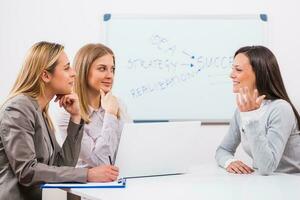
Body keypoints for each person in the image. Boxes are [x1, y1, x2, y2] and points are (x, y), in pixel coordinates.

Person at [0, 41, 119, 200]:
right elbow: (27, 171)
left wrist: (76, 118)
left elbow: (63, 165)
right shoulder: (18, 108)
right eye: (66, 68)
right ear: (45, 75)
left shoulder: (40, 111)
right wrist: (88, 174)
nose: (73, 73)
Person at [215, 45, 300, 175]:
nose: (231, 75)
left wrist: (251, 117)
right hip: (263, 184)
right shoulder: (242, 111)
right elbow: (223, 150)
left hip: (290, 185)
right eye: (233, 69)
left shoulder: (280, 109)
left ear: (259, 73)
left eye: (238, 70)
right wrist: (229, 162)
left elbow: (267, 167)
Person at [57, 43, 130, 168]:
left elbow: (131, 150)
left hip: (120, 180)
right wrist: (110, 115)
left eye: (112, 69)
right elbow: (101, 162)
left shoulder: (118, 104)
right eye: (102, 68)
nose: (110, 75)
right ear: (84, 70)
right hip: (88, 186)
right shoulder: (69, 115)